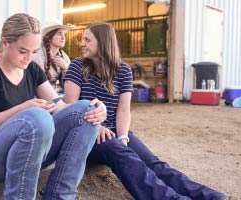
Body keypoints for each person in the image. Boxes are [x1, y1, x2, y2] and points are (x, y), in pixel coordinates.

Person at [63, 22, 228, 200]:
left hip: (115, 132)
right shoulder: (77, 66)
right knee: (126, 157)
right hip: (86, 134)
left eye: (87, 39)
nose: (82, 44)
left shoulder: (123, 70)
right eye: (83, 40)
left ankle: (209, 196)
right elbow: (72, 108)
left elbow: (124, 110)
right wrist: (95, 127)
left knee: (154, 163)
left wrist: (124, 136)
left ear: (103, 42)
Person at [0, 13, 106, 199]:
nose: (29, 58)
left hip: (26, 152)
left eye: (34, 51)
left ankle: (60, 196)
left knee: (86, 110)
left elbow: (60, 107)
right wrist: (21, 109)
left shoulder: (31, 69)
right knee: (36, 118)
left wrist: (96, 112)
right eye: (23, 51)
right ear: (5, 43)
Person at [32, 19, 73, 93]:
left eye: (64, 34)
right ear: (49, 37)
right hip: (42, 96)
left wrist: (66, 68)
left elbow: (71, 86)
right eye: (59, 33)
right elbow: (38, 85)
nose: (63, 38)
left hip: (59, 94)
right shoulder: (38, 56)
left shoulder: (64, 56)